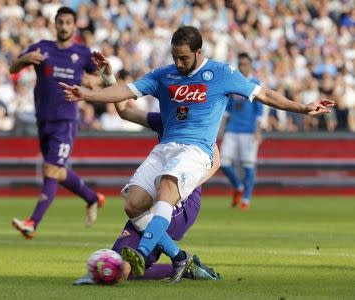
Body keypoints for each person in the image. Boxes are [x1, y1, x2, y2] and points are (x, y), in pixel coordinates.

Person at [60, 26, 334, 283]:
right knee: (133, 204)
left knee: (165, 190)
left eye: (184, 58)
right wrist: (89, 92)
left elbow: (264, 94)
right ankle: (180, 259)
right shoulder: (163, 82)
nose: (178, 64)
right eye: (175, 58)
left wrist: (301, 108)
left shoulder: (221, 74)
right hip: (165, 151)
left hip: (193, 159)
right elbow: (127, 98)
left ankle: (143, 253)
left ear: (198, 52)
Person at [74, 97, 222, 285]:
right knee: (122, 265)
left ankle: (180, 260)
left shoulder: (199, 122)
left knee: (123, 266)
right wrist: (109, 79)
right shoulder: (163, 119)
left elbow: (215, 163)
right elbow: (124, 110)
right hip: (153, 200)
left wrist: (180, 191)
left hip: (183, 202)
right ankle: (184, 264)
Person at [9, 7, 105, 239]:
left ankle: (32, 223)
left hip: (66, 120)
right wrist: (24, 60)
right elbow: (13, 69)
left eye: (68, 23)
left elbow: (101, 81)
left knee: (50, 170)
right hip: (43, 119)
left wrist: (91, 82)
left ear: (74, 26)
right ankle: (93, 198)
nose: (63, 27)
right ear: (55, 24)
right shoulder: (41, 47)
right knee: (57, 172)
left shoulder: (83, 53)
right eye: (60, 22)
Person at [219, 52, 263, 211]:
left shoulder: (255, 83)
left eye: (245, 64)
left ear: (250, 65)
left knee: (248, 165)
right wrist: (222, 128)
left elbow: (259, 110)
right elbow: (228, 109)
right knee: (222, 162)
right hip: (232, 130)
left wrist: (258, 130)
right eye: (240, 64)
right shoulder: (234, 83)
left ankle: (246, 199)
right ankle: (238, 186)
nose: (242, 66)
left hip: (249, 131)